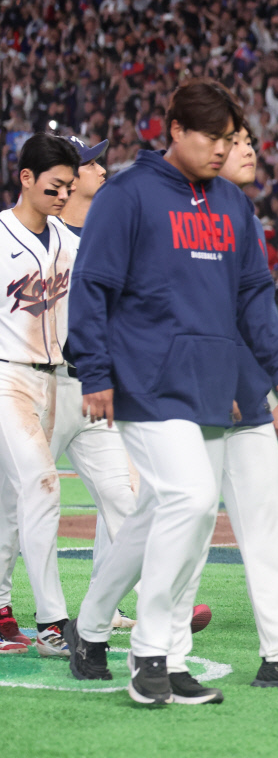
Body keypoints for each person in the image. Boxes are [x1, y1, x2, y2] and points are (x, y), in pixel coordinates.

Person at [64, 79, 278, 705]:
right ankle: (151, 652)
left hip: (213, 384)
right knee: (190, 495)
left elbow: (252, 297)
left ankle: (125, 640)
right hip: (146, 378)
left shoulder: (232, 206)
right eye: (212, 137)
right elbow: (93, 286)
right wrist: (95, 373)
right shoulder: (127, 194)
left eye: (230, 138)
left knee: (175, 510)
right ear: (175, 129)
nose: (221, 149)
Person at [50, 135, 139, 633]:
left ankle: (107, 603)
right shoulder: (39, 233)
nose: (101, 169)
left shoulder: (105, 234)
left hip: (94, 386)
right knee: (19, 505)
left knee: (124, 496)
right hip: (38, 385)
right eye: (90, 163)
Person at [0, 134, 79, 659]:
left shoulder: (70, 241)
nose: (62, 196)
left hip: (52, 379)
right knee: (43, 485)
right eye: (54, 186)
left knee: (11, 503)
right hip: (5, 376)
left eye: (69, 187)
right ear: (25, 178)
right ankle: (53, 620)